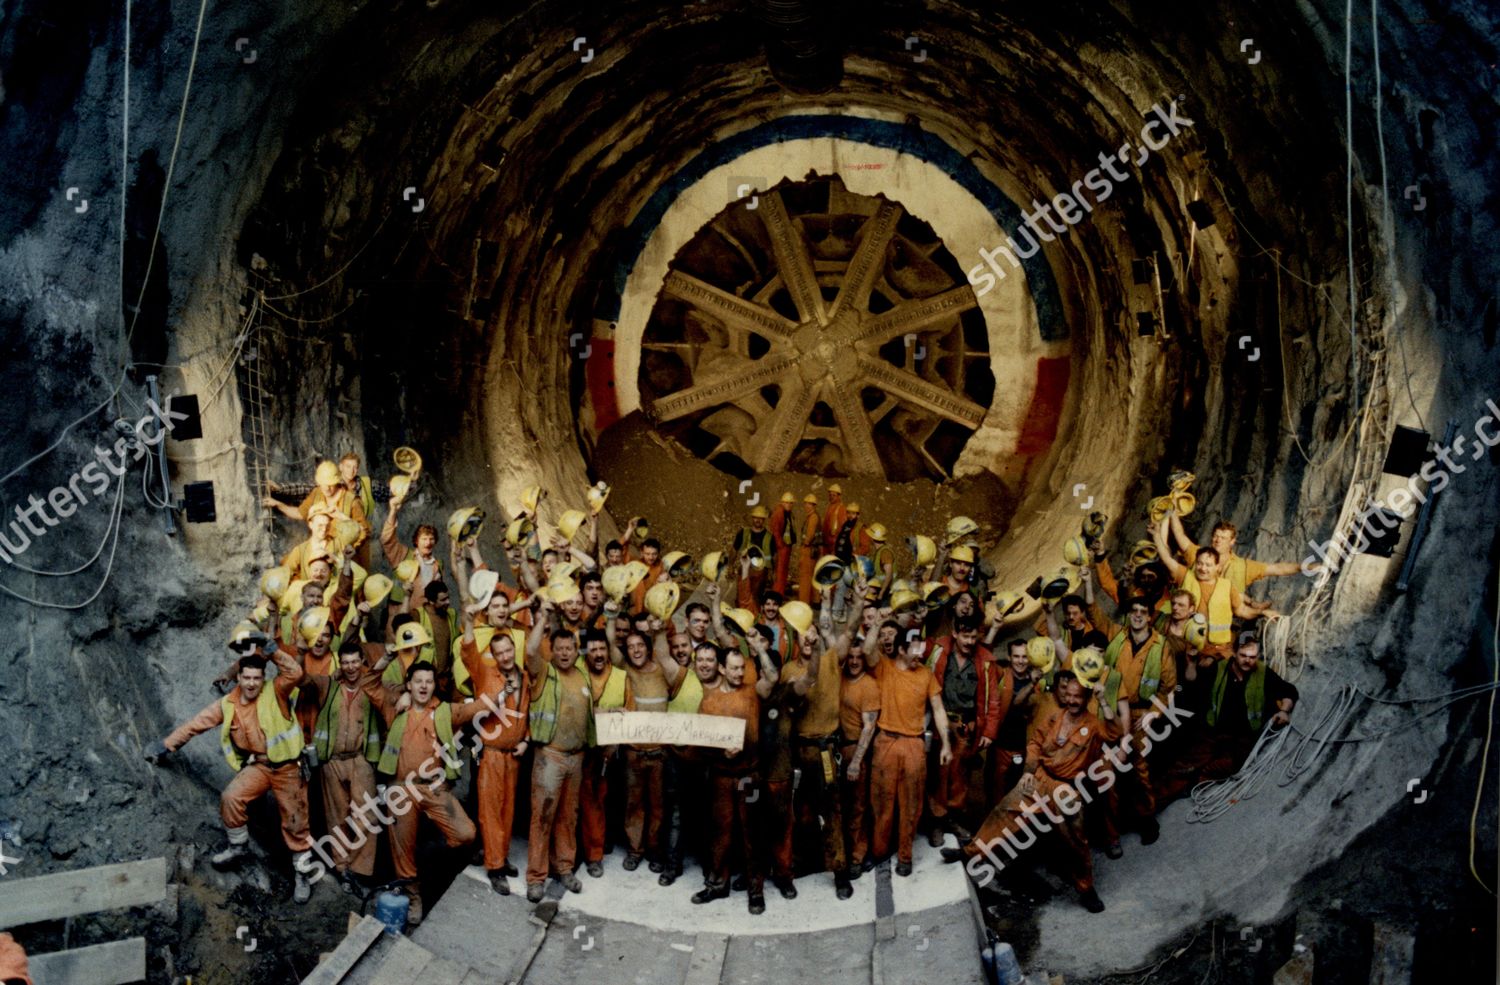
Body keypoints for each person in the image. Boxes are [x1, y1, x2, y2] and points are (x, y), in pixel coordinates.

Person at [147, 627, 315, 904]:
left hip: (288, 768)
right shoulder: (228, 704)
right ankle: (238, 847)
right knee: (231, 797)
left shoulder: (276, 692)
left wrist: (271, 648)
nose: (251, 683)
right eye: (246, 677)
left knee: (296, 824)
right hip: (260, 767)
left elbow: (295, 673)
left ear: (263, 678)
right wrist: (166, 745)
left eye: (256, 678)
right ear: (238, 677)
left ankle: (303, 874)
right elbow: (196, 724)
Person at [941, 672, 1110, 913]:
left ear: (1087, 698)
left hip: (1066, 787)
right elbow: (1035, 744)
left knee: (1075, 839)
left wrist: (1104, 702)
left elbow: (1116, 733)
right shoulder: (1054, 717)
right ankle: (971, 853)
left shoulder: (1094, 725)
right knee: (1005, 810)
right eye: (1069, 695)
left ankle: (1086, 888)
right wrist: (1029, 771)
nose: (1072, 701)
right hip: (1039, 777)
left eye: (1078, 697)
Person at [364, 659, 482, 926]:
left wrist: (506, 690)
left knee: (466, 833)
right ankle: (412, 893)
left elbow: (477, 708)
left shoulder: (443, 711)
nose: (424, 686)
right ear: (409, 684)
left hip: (433, 787)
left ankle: (429, 862)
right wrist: (388, 657)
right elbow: (368, 682)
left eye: (429, 681)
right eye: (418, 681)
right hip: (401, 787)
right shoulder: (395, 707)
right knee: (402, 846)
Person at [1157, 634, 1297, 802]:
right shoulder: (1218, 669)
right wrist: (1193, 664)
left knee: (1227, 766)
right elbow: (1193, 686)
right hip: (1212, 732)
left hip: (1241, 739)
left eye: (1252, 657)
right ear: (1234, 652)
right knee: (1183, 768)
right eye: (1243, 655)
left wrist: (1284, 710)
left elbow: (1289, 691)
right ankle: (1149, 805)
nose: (1247, 661)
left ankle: (1196, 781)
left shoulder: (1263, 673)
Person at [693, 643, 778, 914]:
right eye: (734, 668)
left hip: (749, 777)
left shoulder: (753, 692)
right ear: (721, 668)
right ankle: (718, 885)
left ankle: (756, 891)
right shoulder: (709, 701)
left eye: (742, 668)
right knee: (720, 833)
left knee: (753, 832)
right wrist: (721, 752)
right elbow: (701, 741)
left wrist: (759, 650)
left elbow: (773, 677)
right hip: (721, 778)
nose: (740, 673)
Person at [787, 595, 861, 899]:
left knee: (832, 810)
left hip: (826, 751)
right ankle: (808, 861)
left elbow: (851, 630)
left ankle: (840, 871)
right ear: (796, 640)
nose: (808, 639)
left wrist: (859, 600)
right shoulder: (788, 671)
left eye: (812, 634)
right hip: (799, 750)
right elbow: (802, 687)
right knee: (801, 812)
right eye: (802, 635)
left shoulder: (832, 658)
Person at [865, 622, 953, 876]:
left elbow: (938, 709)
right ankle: (879, 851)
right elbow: (868, 649)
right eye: (913, 650)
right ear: (901, 649)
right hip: (886, 742)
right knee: (881, 803)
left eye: (920, 650)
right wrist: (877, 622)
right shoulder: (884, 667)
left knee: (911, 805)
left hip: (914, 744)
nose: (918, 655)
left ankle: (905, 856)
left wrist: (946, 744)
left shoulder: (925, 674)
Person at [1095, 597, 1178, 856]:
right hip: (1110, 711)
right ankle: (1112, 828)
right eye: (1134, 611)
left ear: (1150, 617)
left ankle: (1146, 819)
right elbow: (1094, 615)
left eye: (1144, 611)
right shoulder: (1117, 637)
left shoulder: (1161, 646)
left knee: (1138, 770)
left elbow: (1169, 688)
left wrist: (1154, 713)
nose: (1139, 615)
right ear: (1128, 614)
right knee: (1107, 771)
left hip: (1141, 713)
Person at [524, 599, 595, 902]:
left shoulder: (582, 675)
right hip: (550, 757)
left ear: (576, 651)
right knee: (542, 817)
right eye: (560, 649)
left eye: (570, 648)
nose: (565, 653)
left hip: (576, 758)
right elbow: (530, 651)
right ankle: (536, 877)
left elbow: (590, 712)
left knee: (569, 817)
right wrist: (544, 617)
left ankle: (564, 868)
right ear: (552, 651)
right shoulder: (544, 672)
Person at [458, 602, 531, 896]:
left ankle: (500, 855)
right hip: (490, 754)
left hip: (514, 755)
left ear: (514, 649)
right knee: (490, 812)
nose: (505, 657)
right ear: (494, 655)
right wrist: (468, 622)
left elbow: (526, 713)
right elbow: (468, 652)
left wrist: (526, 740)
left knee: (508, 811)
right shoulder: (485, 675)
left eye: (508, 651)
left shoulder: (525, 677)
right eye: (499, 653)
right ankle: (495, 867)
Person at [304, 639, 385, 890]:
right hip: (332, 762)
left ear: (362, 662)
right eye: (346, 662)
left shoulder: (371, 687)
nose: (351, 667)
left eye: (355, 662)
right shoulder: (328, 686)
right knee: (336, 817)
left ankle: (360, 871)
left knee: (366, 816)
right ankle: (342, 868)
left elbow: (392, 689)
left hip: (361, 759)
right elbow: (301, 679)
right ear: (340, 664)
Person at [925, 614, 1003, 846]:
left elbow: (994, 700)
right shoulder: (939, 652)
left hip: (965, 728)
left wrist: (989, 731)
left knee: (959, 777)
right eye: (965, 636)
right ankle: (936, 822)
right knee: (937, 776)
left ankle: (954, 819)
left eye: (973, 637)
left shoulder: (985, 661)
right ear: (955, 633)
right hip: (939, 725)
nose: (969, 642)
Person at [1153, 515, 1275, 659]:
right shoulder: (1185, 575)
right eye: (1200, 563)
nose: (1203, 568)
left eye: (1208, 565)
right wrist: (1156, 535)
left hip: (1217, 650)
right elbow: (1166, 558)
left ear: (1218, 567)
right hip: (1186, 645)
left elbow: (1242, 610)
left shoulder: (1227, 586)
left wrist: (1262, 612)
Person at [1167, 515, 1309, 600]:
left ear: (1232, 541)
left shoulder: (1243, 566)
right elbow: (1179, 535)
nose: (1218, 540)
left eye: (1223, 538)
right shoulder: (1197, 554)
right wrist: (1172, 512)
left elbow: (1277, 569)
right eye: (1216, 536)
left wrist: (1306, 567)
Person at [579, 628, 626, 877]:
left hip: (604, 752)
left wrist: (613, 746)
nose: (598, 654)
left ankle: (594, 856)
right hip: (576, 748)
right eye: (593, 649)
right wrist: (605, 712)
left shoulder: (620, 676)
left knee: (595, 803)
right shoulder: (575, 671)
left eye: (602, 649)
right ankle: (565, 857)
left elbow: (628, 713)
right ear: (585, 652)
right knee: (567, 806)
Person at [838, 636, 880, 879]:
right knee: (840, 806)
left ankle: (857, 856)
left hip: (856, 750)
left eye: (859, 658)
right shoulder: (840, 678)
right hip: (837, 748)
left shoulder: (869, 685)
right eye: (851, 657)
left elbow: (869, 727)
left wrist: (856, 762)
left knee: (857, 807)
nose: (854, 662)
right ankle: (842, 854)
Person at [733, 506, 776, 614]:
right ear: (752, 518)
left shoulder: (770, 537)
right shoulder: (743, 533)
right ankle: (740, 618)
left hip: (760, 573)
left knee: (756, 597)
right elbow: (734, 549)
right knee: (742, 596)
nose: (758, 520)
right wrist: (730, 565)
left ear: (764, 520)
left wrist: (773, 572)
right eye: (756, 517)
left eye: (761, 518)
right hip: (745, 569)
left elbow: (774, 556)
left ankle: (755, 619)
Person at [769, 491, 796, 595]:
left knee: (783, 570)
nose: (789, 505)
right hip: (782, 547)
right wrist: (780, 545)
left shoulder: (787, 513)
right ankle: (777, 593)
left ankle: (781, 592)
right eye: (787, 502)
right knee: (780, 571)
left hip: (786, 545)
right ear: (782, 502)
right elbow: (775, 531)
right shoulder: (779, 513)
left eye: (791, 503)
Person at [796, 494, 821, 604]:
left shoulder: (813, 517)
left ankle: (804, 601)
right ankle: (814, 600)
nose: (806, 506)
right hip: (812, 550)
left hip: (808, 550)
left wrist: (805, 543)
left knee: (805, 577)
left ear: (814, 506)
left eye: (809, 504)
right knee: (812, 575)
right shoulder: (811, 516)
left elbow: (809, 536)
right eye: (805, 503)